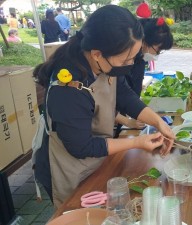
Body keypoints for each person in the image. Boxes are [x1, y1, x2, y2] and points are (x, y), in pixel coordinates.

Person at [32, 5, 175, 208]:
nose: (131, 63)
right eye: (126, 59)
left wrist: (158, 122)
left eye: (133, 57)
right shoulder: (67, 87)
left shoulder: (103, 62)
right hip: (69, 165)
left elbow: (124, 95)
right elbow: (81, 146)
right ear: (97, 54)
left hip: (95, 156)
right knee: (79, 212)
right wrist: (137, 142)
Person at [113, 16, 174, 135]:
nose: (157, 54)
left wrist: (149, 117)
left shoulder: (140, 59)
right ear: (144, 41)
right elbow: (105, 101)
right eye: (158, 50)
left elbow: (130, 93)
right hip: (108, 122)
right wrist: (126, 121)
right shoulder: (117, 60)